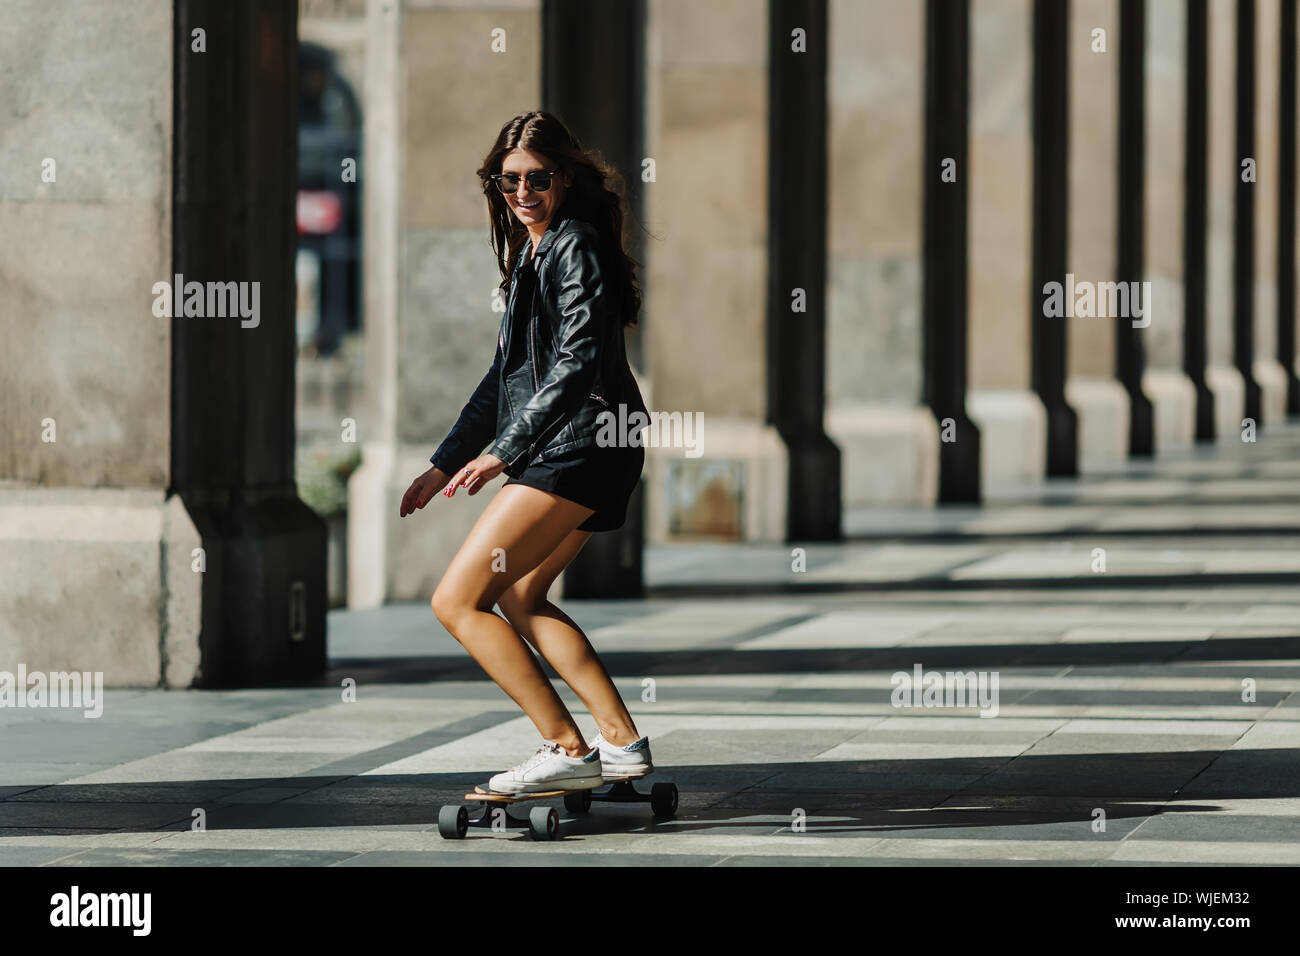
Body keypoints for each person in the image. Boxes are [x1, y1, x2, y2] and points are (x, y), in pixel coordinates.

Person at [399, 110, 654, 794]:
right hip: (585, 442)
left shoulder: (573, 245)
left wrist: (507, 453)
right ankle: (621, 742)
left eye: (536, 178)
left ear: (564, 179)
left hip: (576, 445)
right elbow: (504, 378)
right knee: (520, 594)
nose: (521, 192)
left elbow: (576, 362)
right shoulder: (534, 252)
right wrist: (446, 461)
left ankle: (566, 748)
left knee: (457, 601)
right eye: (506, 179)